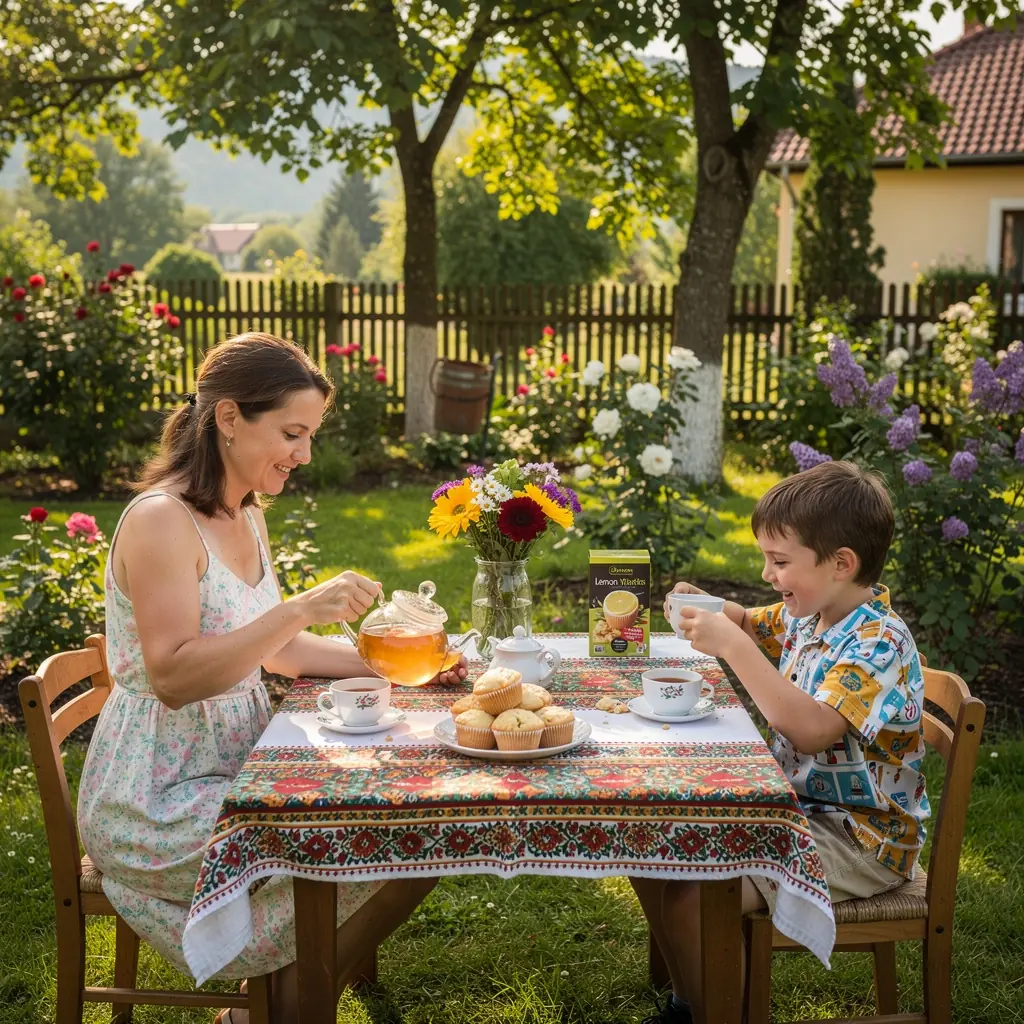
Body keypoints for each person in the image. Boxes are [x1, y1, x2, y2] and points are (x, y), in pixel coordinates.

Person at [78, 333, 464, 1022]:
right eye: (292, 432)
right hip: (156, 795)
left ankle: (280, 1005)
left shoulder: (245, 513)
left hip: (239, 766)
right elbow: (171, 676)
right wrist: (298, 608)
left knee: (418, 825)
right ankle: (283, 1009)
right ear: (229, 418)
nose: (305, 454)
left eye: (310, 435)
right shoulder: (163, 523)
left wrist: (422, 666)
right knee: (370, 835)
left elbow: (280, 655)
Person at [633, 460, 929, 1024]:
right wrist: (715, 611)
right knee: (654, 850)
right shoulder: (812, 611)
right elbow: (750, 622)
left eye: (780, 561)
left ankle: (720, 1013)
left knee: (697, 888)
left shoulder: (879, 641)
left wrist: (734, 650)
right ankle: (693, 1004)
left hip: (861, 837)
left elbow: (813, 728)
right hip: (794, 809)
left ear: (842, 564)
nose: (768, 574)